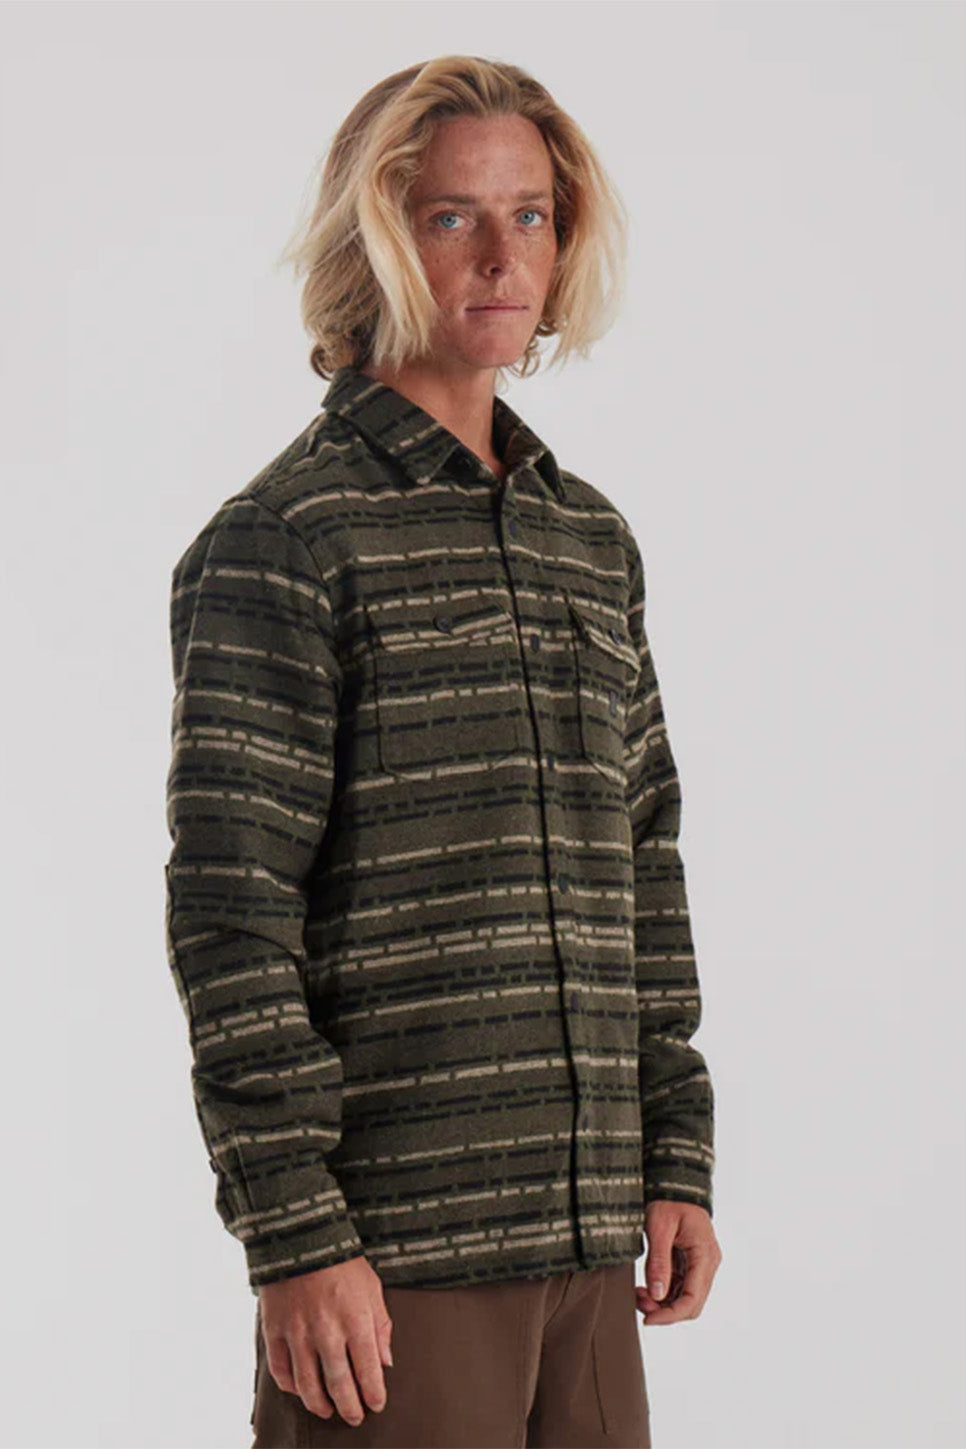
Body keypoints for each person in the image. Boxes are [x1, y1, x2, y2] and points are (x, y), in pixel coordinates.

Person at [164, 53, 721, 1449]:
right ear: (374, 243)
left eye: (530, 215)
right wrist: (296, 1233)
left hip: (592, 1247)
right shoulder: (288, 540)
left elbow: (643, 859)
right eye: (450, 216)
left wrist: (674, 1151)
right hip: (395, 1264)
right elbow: (232, 914)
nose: (499, 256)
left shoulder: (587, 540)